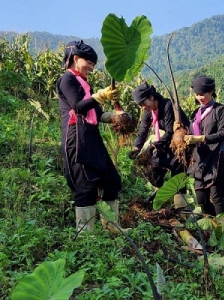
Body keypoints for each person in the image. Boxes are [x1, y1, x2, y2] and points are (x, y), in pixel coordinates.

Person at [56, 40, 127, 233]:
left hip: (92, 137)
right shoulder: (67, 80)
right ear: (76, 58)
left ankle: (111, 228)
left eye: (94, 65)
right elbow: (78, 107)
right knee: (85, 187)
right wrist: (100, 95)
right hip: (77, 137)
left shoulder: (85, 84)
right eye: (89, 63)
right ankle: (87, 236)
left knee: (113, 182)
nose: (91, 68)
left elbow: (97, 113)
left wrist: (115, 117)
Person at [184, 76, 224, 216]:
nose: (200, 97)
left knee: (216, 197)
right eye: (197, 95)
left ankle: (222, 227)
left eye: (203, 94)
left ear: (211, 92)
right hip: (200, 159)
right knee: (201, 199)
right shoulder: (196, 113)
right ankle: (212, 221)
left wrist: (201, 138)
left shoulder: (221, 110)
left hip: (216, 158)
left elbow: (222, 134)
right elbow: (190, 132)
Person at [128, 82, 190, 208]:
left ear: (151, 97)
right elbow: (143, 131)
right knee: (153, 169)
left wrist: (153, 146)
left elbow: (170, 131)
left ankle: (181, 211)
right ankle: (161, 200)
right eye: (140, 105)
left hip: (179, 146)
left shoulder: (168, 106)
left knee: (178, 177)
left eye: (143, 104)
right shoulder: (149, 111)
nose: (143, 107)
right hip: (165, 144)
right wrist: (137, 148)